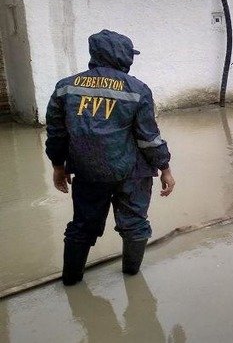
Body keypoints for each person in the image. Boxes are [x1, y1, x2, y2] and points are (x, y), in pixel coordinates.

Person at [45, 29, 176, 286]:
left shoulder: (66, 88)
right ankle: (131, 276)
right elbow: (148, 137)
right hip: (132, 172)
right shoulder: (137, 90)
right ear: (123, 55)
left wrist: (58, 167)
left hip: (87, 171)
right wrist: (165, 168)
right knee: (135, 224)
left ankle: (71, 281)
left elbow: (57, 134)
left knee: (82, 226)